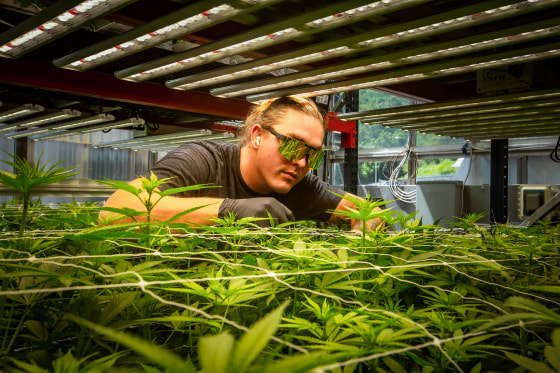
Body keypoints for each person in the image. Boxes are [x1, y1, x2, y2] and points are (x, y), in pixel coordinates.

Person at [100, 95, 384, 231]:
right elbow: (113, 213)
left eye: (313, 154)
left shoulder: (300, 185)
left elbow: (369, 212)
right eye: (292, 144)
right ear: (257, 136)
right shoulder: (203, 161)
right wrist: (228, 211)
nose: (301, 162)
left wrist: (353, 247)